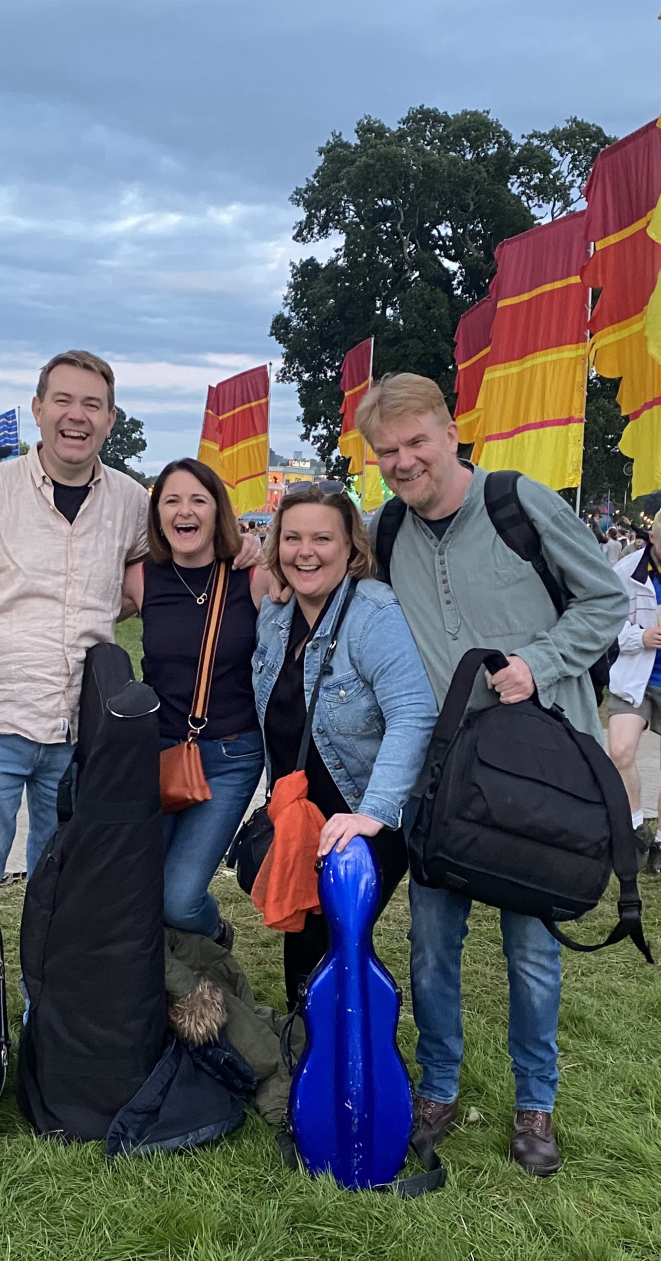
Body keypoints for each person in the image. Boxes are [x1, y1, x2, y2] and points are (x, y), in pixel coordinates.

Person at [357, 373, 629, 1176]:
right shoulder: (389, 530)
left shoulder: (518, 502)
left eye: (416, 442)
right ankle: (437, 1088)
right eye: (387, 452)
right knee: (433, 944)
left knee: (531, 949)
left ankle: (533, 1104)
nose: (405, 462)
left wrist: (539, 665)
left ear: (449, 432)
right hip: (443, 781)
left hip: (537, 771)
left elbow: (604, 601)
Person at [0, 350, 262, 912]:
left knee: (66, 882)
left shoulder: (130, 501)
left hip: (84, 728)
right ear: (38, 409)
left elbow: (182, 553)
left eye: (92, 405)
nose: (77, 416)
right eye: (64, 401)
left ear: (110, 419)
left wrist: (241, 544)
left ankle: (45, 1002)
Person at [255, 484, 437, 1010]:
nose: (304, 551)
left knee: (327, 933)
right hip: (303, 817)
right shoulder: (277, 617)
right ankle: (308, 1041)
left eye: (321, 538)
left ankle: (345, 1056)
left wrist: (372, 814)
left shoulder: (374, 614)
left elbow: (413, 713)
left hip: (363, 815)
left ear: (351, 547)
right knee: (307, 936)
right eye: (291, 538)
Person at [123, 458, 269, 946]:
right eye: (172, 501)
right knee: (139, 891)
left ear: (217, 511)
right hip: (159, 753)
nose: (185, 511)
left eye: (198, 500)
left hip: (230, 755)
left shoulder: (253, 576)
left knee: (179, 898)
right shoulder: (141, 578)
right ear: (158, 516)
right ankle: (170, 985)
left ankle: (215, 936)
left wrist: (259, 546)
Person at [607, 504, 661, 875]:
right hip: (635, 678)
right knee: (619, 750)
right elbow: (605, 621)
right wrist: (639, 637)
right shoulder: (626, 572)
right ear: (652, 538)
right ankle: (635, 825)